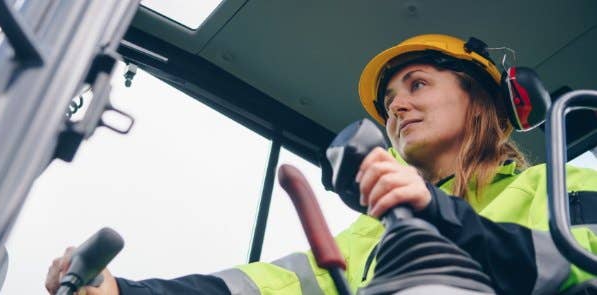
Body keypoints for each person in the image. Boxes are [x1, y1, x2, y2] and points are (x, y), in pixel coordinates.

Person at [45, 34, 597, 294]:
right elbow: (257, 289)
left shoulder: (560, 185)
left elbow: (578, 266)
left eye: (418, 84)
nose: (396, 107)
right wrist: (128, 293)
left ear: (480, 97)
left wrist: (438, 217)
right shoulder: (367, 237)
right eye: (388, 104)